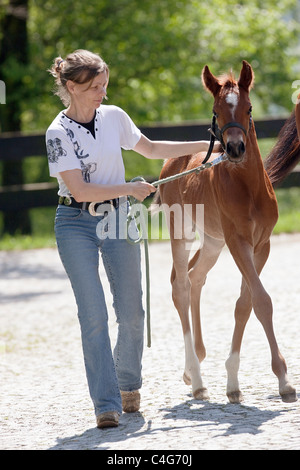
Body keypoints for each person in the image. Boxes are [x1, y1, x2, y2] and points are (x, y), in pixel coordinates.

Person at [46, 49, 218, 429]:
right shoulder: (57, 133)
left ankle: (129, 385)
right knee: (93, 316)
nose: (101, 94)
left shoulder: (114, 117)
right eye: (93, 87)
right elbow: (78, 189)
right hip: (75, 223)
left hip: (120, 219)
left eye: (104, 85)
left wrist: (206, 148)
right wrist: (131, 187)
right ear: (71, 87)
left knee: (132, 312)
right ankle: (105, 405)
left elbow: (152, 149)